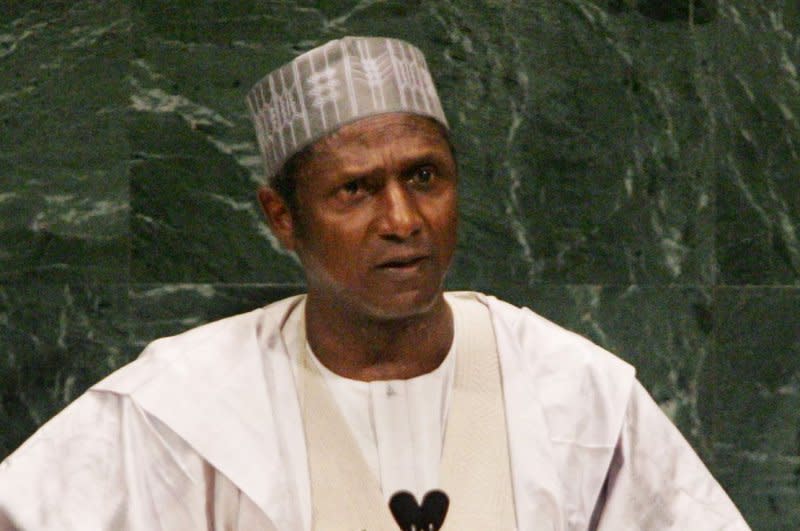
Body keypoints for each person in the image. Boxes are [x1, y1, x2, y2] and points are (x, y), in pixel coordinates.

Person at [0, 36, 749, 530]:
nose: (403, 218)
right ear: (281, 217)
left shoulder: (571, 391)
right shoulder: (189, 405)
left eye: (425, 177)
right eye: (356, 189)